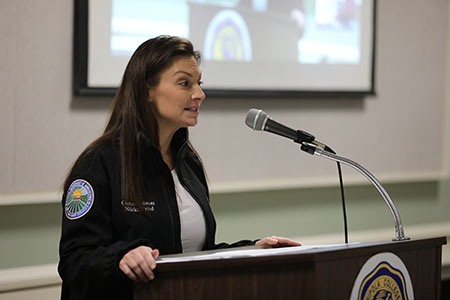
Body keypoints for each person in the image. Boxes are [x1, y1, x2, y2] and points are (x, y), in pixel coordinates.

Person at [58, 35, 301, 299]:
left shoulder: (189, 163)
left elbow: (194, 254)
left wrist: (254, 249)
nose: (199, 94)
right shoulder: (99, 163)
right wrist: (121, 258)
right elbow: (75, 262)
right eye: (185, 83)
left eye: (199, 83)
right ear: (146, 90)